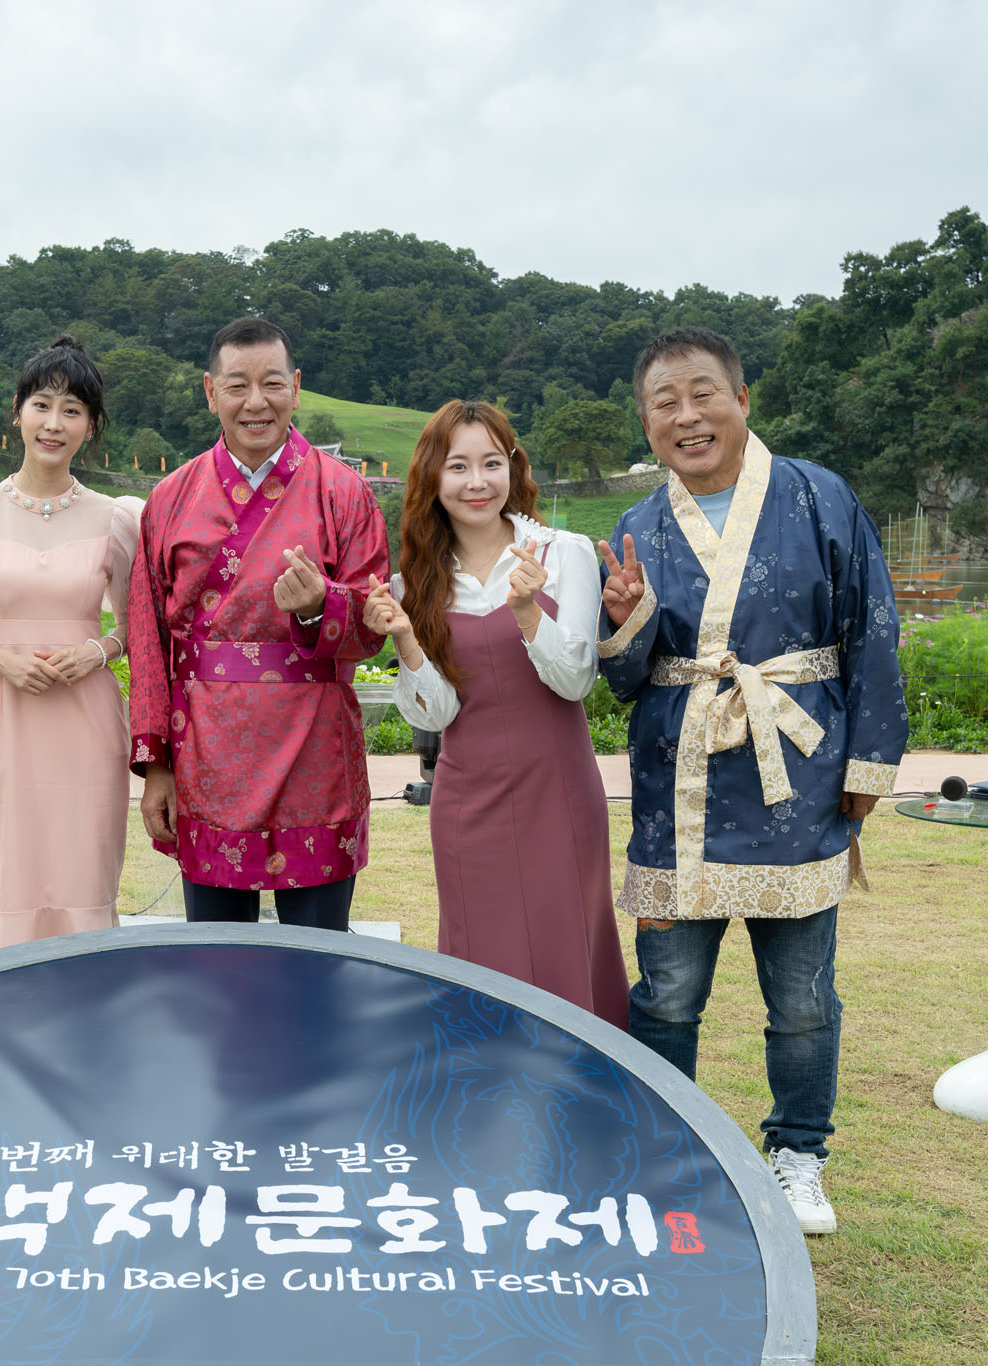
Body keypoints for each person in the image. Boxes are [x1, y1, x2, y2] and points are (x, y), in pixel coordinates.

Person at [597, 326, 908, 1236]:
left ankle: (799, 1154)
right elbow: (623, 680)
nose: (687, 416)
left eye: (703, 394)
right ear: (647, 424)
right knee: (666, 993)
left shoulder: (819, 496)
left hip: (796, 778)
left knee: (803, 997)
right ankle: (665, 1149)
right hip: (679, 787)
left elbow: (872, 627)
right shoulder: (636, 527)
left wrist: (868, 764)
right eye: (665, 403)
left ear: (742, 399)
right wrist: (627, 620)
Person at [362, 400, 627, 1026]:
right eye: (458, 466)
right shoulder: (413, 580)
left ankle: (577, 1082)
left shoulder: (562, 553)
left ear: (514, 466)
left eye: (491, 463)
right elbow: (436, 715)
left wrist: (529, 611)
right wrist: (405, 639)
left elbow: (576, 682)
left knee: (565, 947)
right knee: (481, 957)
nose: (476, 482)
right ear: (432, 476)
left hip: (559, 792)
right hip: (466, 801)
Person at [128, 317, 389, 931]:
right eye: (237, 385)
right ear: (210, 392)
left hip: (314, 756)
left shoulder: (345, 493)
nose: (255, 402)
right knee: (218, 960)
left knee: (318, 953)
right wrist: (156, 766)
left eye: (272, 383)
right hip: (204, 756)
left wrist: (320, 607)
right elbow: (147, 641)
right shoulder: (170, 498)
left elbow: (374, 626)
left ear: (295, 388)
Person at [0, 337, 142, 948]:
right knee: (12, 876)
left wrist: (95, 652)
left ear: (91, 427)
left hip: (88, 719)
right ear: (17, 412)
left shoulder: (118, 519)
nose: (54, 423)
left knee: (85, 875)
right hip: (3, 713)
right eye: (42, 405)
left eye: (73, 410)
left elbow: (136, 626)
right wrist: (4, 662)